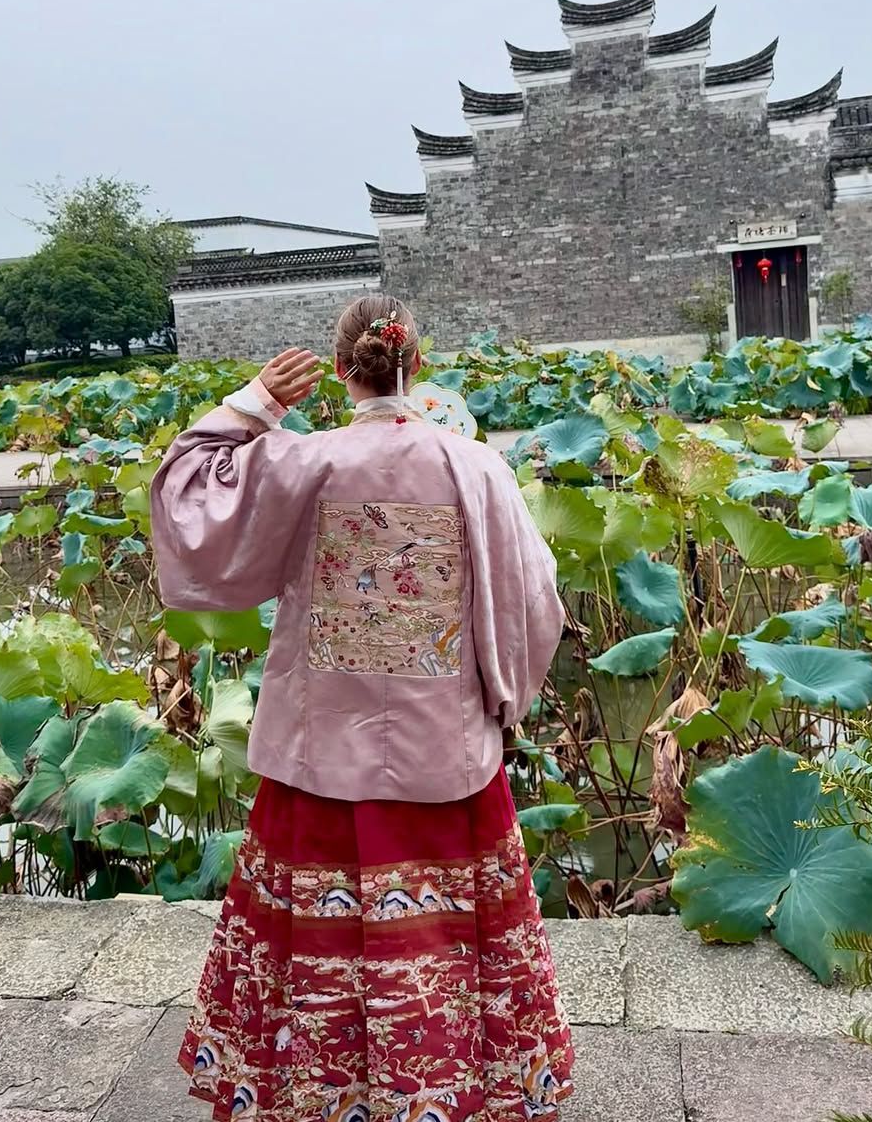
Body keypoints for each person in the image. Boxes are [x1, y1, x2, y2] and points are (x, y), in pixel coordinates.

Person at [150, 293, 574, 1122]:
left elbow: (185, 492)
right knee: (454, 942)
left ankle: (313, 1088)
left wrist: (256, 402)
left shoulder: (300, 461)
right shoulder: (476, 465)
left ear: (340, 370)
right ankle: (458, 1085)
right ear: (418, 364)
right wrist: (503, 696)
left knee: (315, 932)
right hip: (444, 757)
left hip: (320, 758)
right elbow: (536, 601)